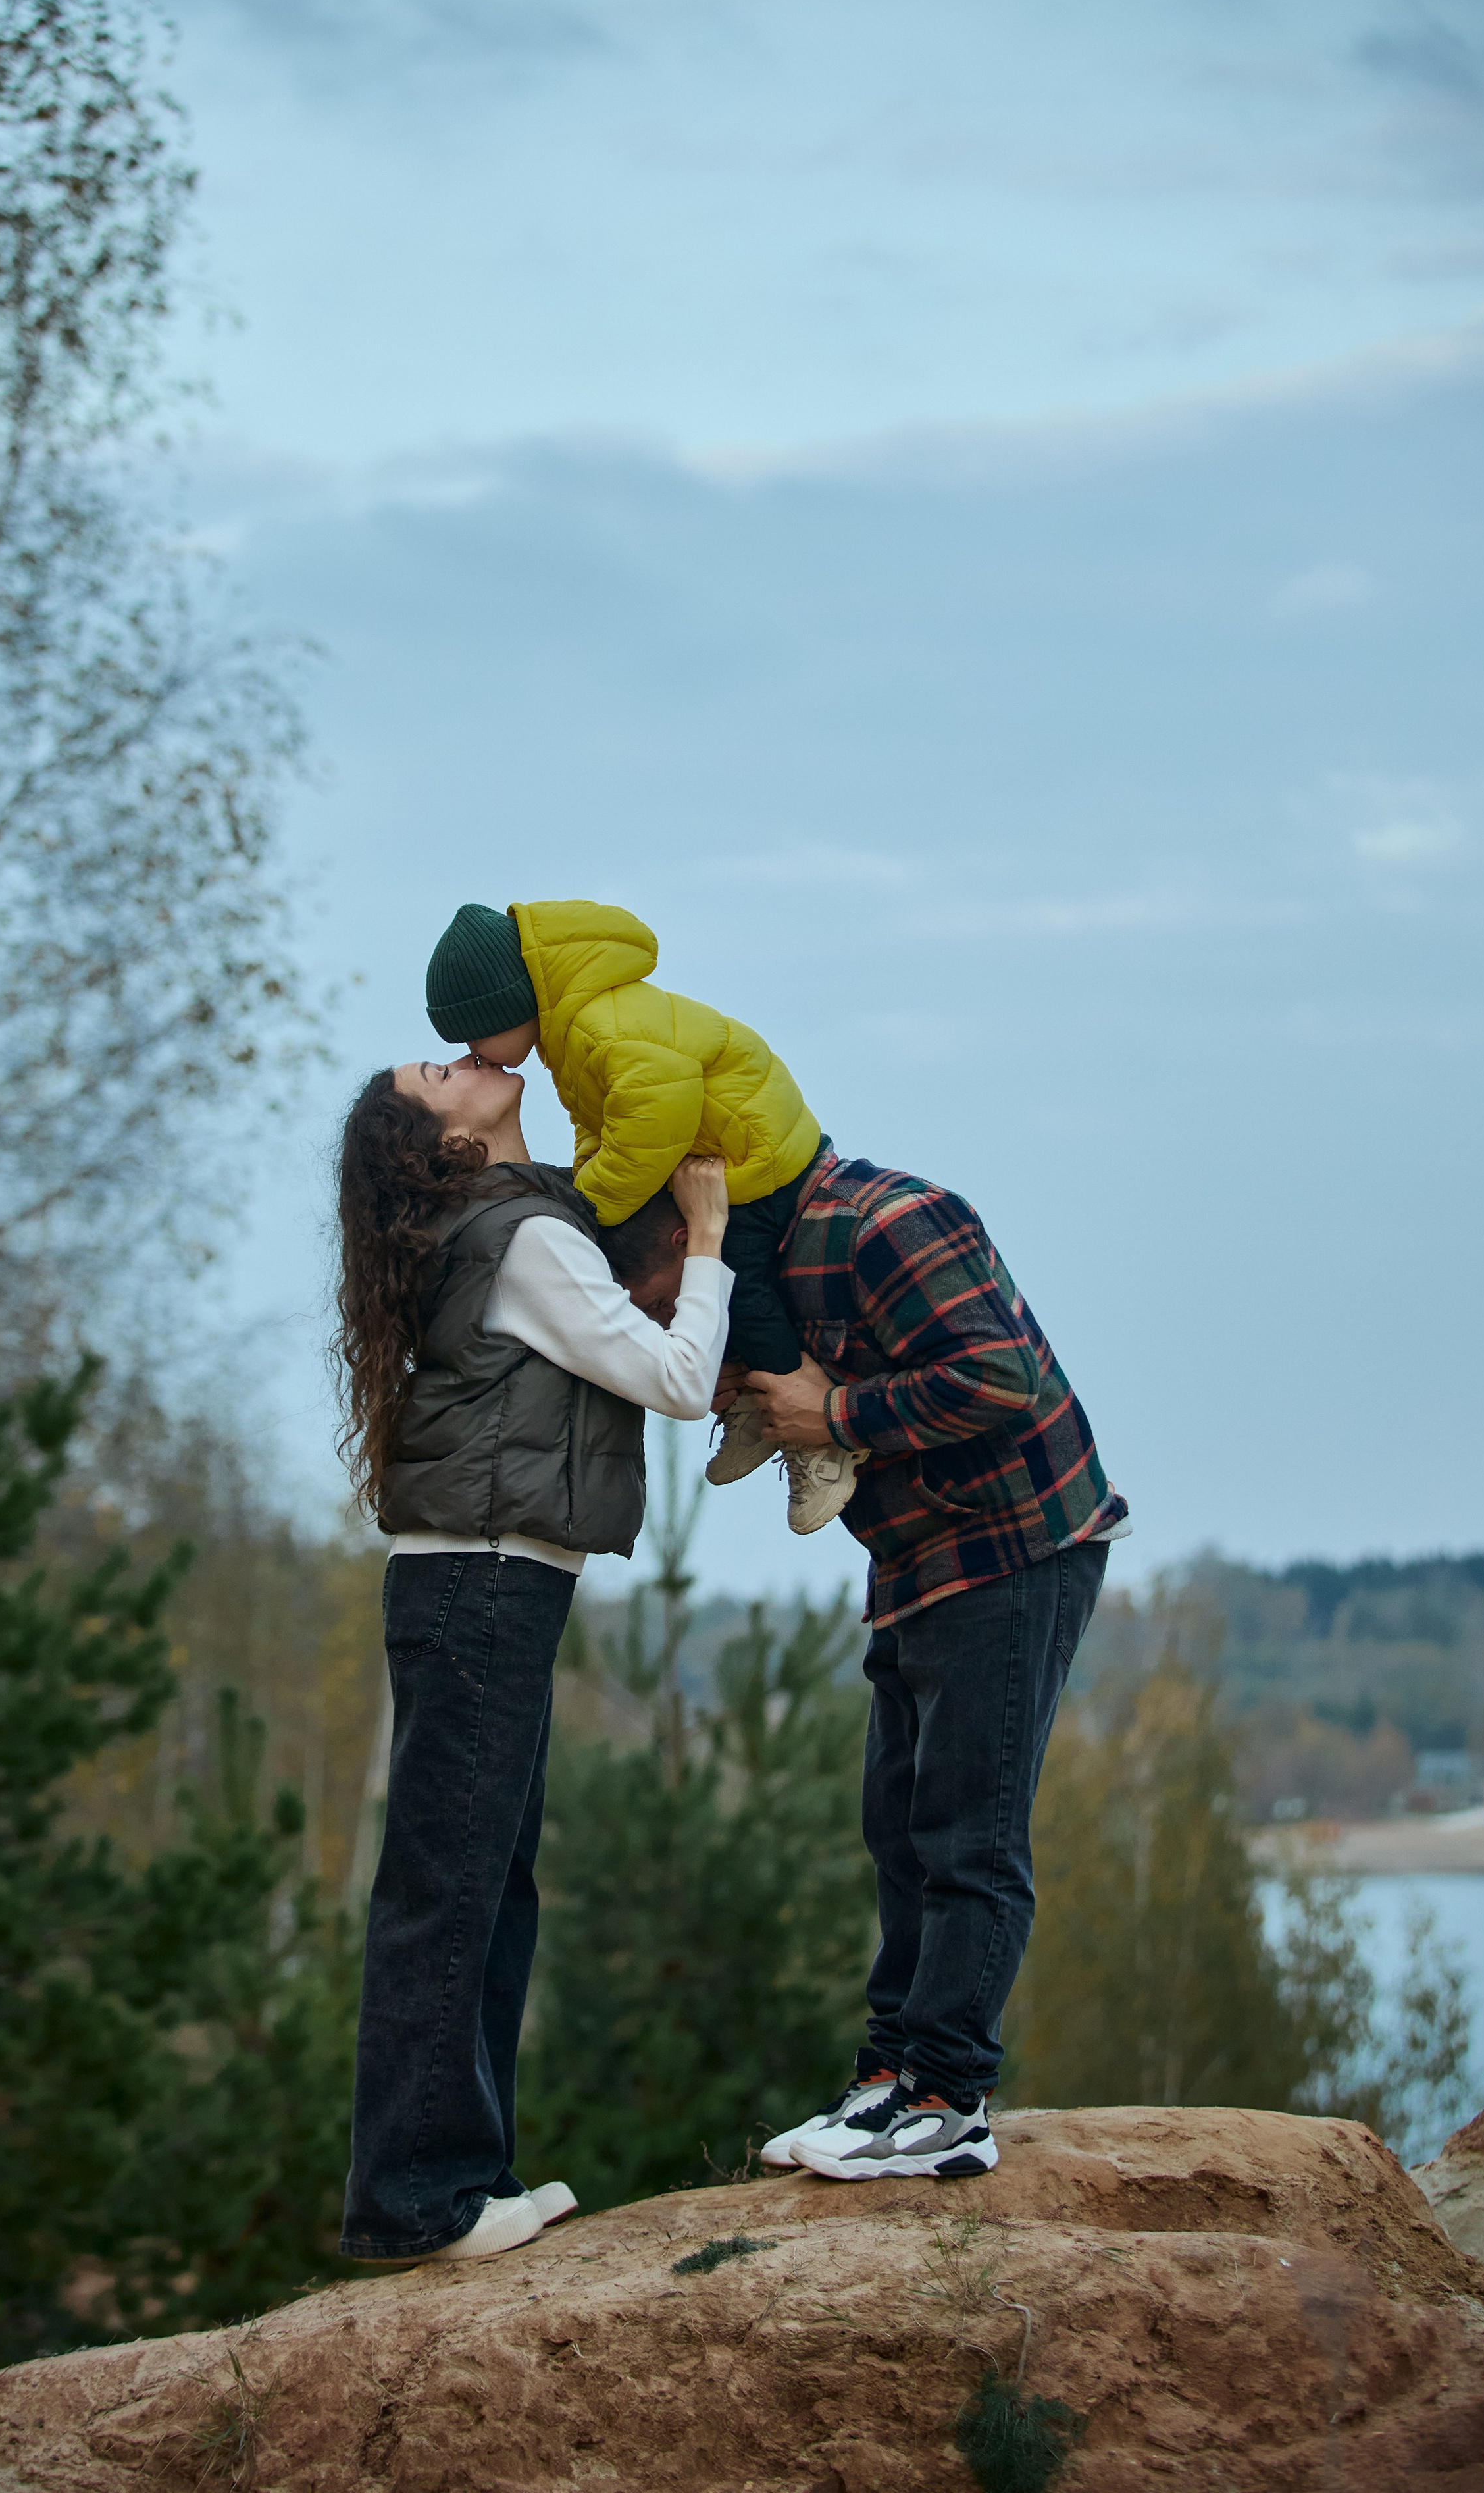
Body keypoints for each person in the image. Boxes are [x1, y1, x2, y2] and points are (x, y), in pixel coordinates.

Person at [606, 1143, 1129, 2184]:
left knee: (967, 1840)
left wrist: (834, 1415)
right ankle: (891, 2076)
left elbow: (997, 1378)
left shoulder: (888, 1223)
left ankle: (948, 2101)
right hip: (920, 1558)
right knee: (898, 1830)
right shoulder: (772, 1280)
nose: (674, 1326)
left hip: (1014, 1548)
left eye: (659, 1301)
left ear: (679, 1239)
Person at [332, 1051, 732, 2263]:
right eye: (434, 1074)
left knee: (486, 1885)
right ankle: (417, 2200)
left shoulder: (519, 1220)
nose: (463, 1060)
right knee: (450, 1890)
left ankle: (467, 2175)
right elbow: (674, 1379)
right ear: (440, 1143)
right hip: (483, 1578)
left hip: (487, 1579)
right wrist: (707, 1238)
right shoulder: (523, 1243)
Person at [421, 896, 863, 1534]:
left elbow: (656, 1121)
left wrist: (589, 1209)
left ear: (509, 1006)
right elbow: (594, 1124)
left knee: (743, 1281)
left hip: (752, 1149)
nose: (476, 1052)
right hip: (712, 1148)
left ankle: (816, 1434)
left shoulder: (602, 1025)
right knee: (699, 1282)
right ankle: (751, 1403)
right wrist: (581, 1201)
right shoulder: (571, 1035)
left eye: (474, 1033)